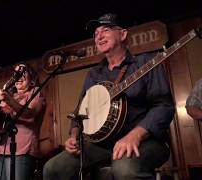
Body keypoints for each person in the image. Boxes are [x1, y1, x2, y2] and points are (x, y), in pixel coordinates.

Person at [43, 13, 175, 180]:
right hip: (102, 143)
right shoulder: (94, 74)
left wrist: (135, 135)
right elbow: (79, 114)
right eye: (96, 34)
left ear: (123, 34)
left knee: (124, 168)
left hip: (146, 139)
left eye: (105, 30)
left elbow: (164, 106)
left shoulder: (146, 63)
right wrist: (74, 136)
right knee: (53, 169)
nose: (99, 36)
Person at [0, 63, 45, 180]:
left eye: (23, 72)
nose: (19, 76)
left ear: (31, 78)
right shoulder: (11, 95)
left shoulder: (36, 92)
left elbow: (30, 114)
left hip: (23, 149)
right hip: (1, 148)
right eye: (16, 73)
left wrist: (9, 100)